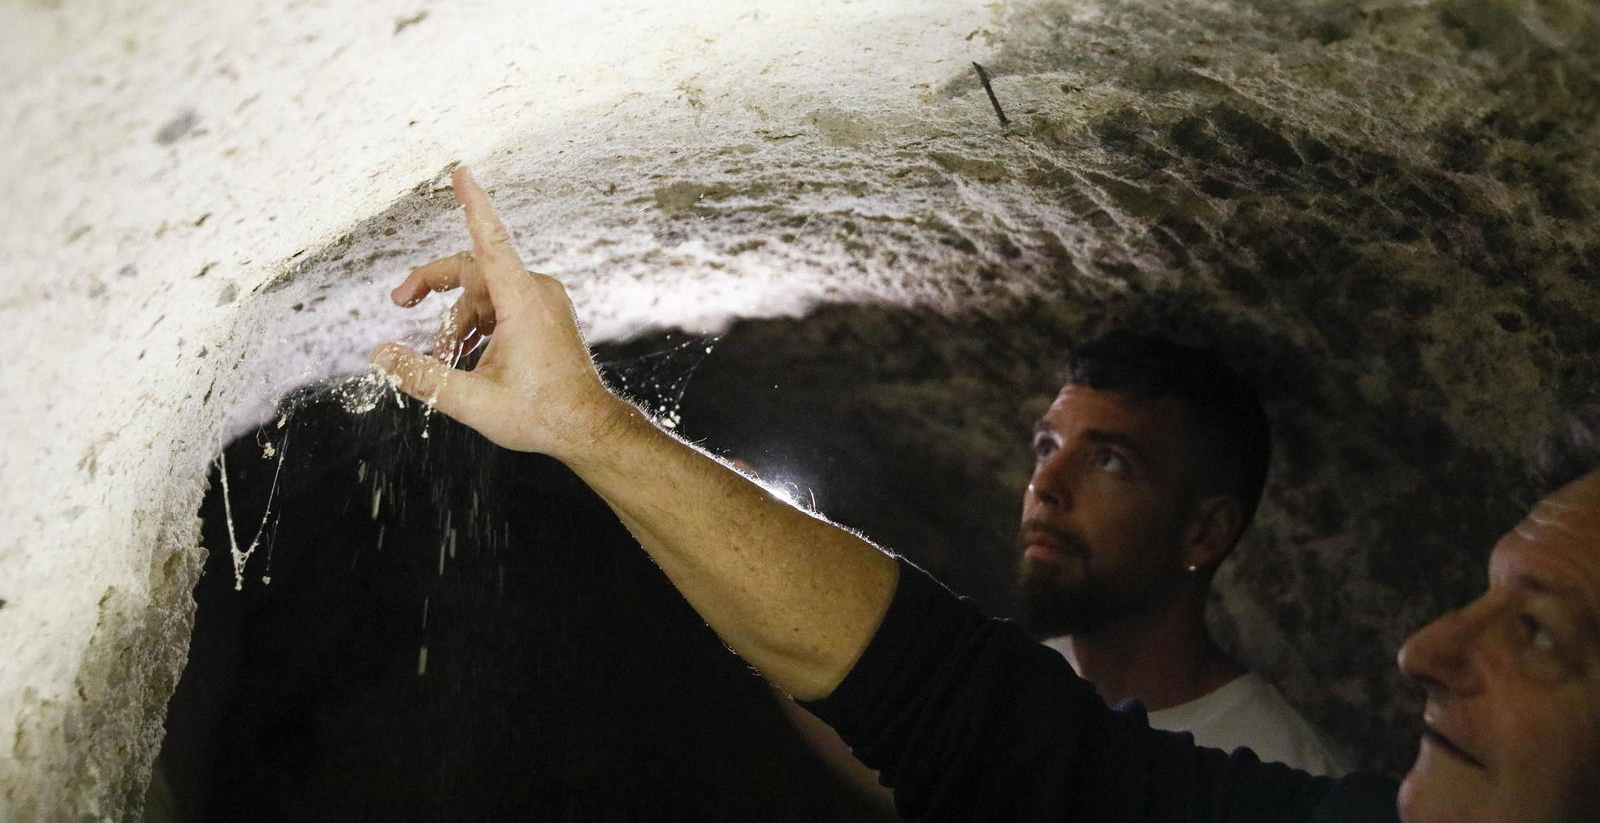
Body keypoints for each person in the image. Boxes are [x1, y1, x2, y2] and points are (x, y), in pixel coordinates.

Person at [373, 167, 1600, 823]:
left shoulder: (1268, 759)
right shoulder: (1128, 737)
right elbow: (938, 721)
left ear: (1207, 531)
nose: (1423, 650)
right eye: (1043, 444)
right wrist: (597, 429)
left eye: (1540, 632)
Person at [1022, 332, 1352, 775]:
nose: (1043, 485)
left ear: (1205, 533)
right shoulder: (1021, 687)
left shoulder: (1285, 776)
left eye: (1109, 461)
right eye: (1047, 448)